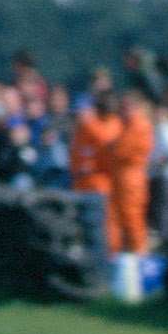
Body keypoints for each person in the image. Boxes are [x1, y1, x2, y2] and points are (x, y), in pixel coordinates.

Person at [105, 89, 156, 257]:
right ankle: (119, 259)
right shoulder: (124, 124)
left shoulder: (139, 124)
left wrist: (112, 147)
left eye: (126, 106)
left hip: (132, 177)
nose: (122, 110)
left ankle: (140, 256)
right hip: (119, 177)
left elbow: (120, 150)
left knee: (132, 217)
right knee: (115, 219)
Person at [69, 90, 120, 254]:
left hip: (103, 182)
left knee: (105, 224)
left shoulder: (113, 124)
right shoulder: (91, 125)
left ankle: (107, 255)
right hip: (92, 182)